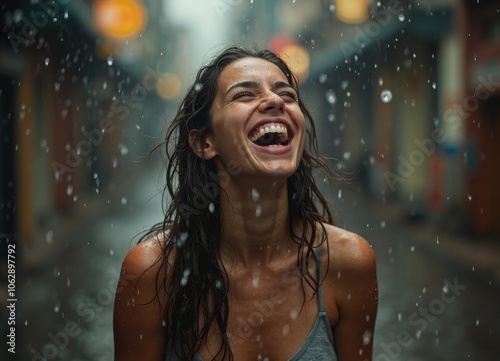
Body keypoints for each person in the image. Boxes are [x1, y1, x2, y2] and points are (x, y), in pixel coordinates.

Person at [113, 46, 378, 361]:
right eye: (244, 95)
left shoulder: (347, 263)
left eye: (288, 95)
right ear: (204, 142)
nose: (275, 100)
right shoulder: (151, 272)